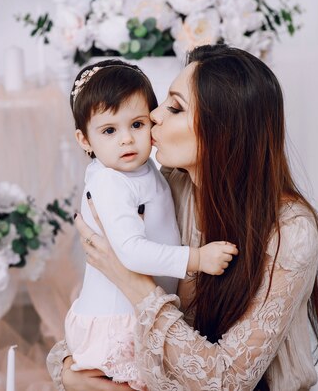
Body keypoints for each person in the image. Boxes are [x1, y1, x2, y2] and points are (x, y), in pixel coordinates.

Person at [47, 45, 318, 390]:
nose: (154, 115)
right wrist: (68, 370)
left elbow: (228, 380)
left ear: (223, 130)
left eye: (176, 107)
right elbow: (102, 314)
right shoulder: (166, 185)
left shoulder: (290, 231)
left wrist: (134, 283)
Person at [62, 59, 239, 389]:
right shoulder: (110, 182)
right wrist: (197, 259)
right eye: (109, 131)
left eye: (138, 125)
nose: (126, 140)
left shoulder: (146, 169)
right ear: (84, 140)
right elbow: (129, 252)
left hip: (140, 313)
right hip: (116, 323)